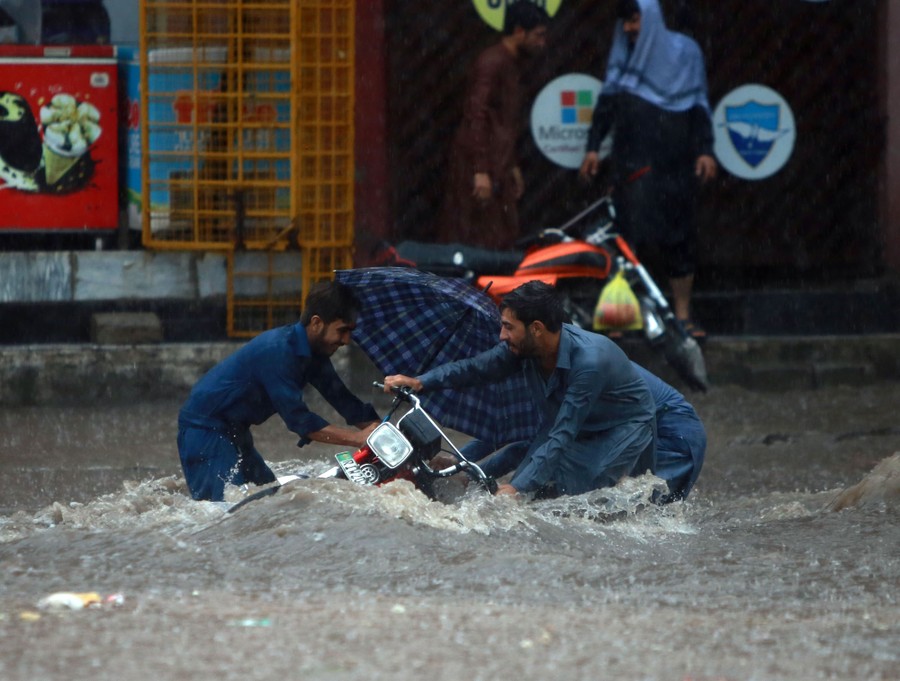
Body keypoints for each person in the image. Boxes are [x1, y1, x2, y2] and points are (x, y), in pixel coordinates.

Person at [383, 281, 656, 498]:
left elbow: (561, 435)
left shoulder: (589, 363)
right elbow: (474, 369)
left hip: (623, 426)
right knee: (522, 477)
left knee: (573, 493)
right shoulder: (521, 349)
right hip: (574, 423)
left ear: (536, 329)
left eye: (508, 327)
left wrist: (516, 489)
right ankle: (467, 478)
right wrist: (421, 382)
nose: (502, 336)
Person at [579, 0, 717, 336]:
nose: (628, 28)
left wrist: (705, 150)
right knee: (626, 240)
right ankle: (619, 317)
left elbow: (698, 105)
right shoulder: (623, 60)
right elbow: (607, 105)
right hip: (632, 165)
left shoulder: (686, 53)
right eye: (624, 22)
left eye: (634, 19)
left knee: (679, 238)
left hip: (676, 164)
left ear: (651, 18)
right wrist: (593, 148)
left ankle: (683, 317)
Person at [177, 281, 381, 501]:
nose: (346, 340)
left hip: (236, 430)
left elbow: (344, 400)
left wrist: (381, 429)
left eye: (350, 331)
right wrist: (357, 438)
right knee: (227, 509)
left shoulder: (315, 355)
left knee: (270, 501)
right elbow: (299, 420)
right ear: (316, 323)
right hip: (205, 430)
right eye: (342, 331)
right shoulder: (278, 352)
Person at [436, 2, 549, 251]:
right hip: (481, 167)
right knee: (476, 240)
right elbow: (476, 115)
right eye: (538, 35)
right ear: (519, 31)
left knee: (499, 238)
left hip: (497, 165)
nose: (542, 43)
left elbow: (503, 121)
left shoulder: (511, 62)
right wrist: (480, 170)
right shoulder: (492, 62)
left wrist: (512, 165)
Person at [630, 362, 706, 501]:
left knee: (642, 508)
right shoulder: (599, 359)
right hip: (675, 430)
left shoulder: (594, 367)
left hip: (676, 436)